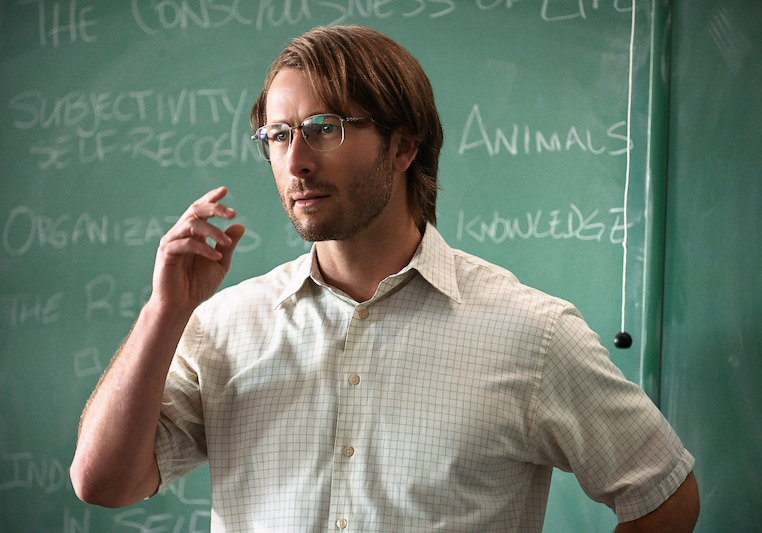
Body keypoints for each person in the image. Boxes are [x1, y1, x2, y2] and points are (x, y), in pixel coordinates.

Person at [70, 25, 699, 532]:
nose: (296, 161)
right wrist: (164, 311)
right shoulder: (222, 326)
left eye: (325, 129)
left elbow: (665, 497)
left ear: (402, 148)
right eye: (279, 136)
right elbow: (103, 484)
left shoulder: (532, 335)